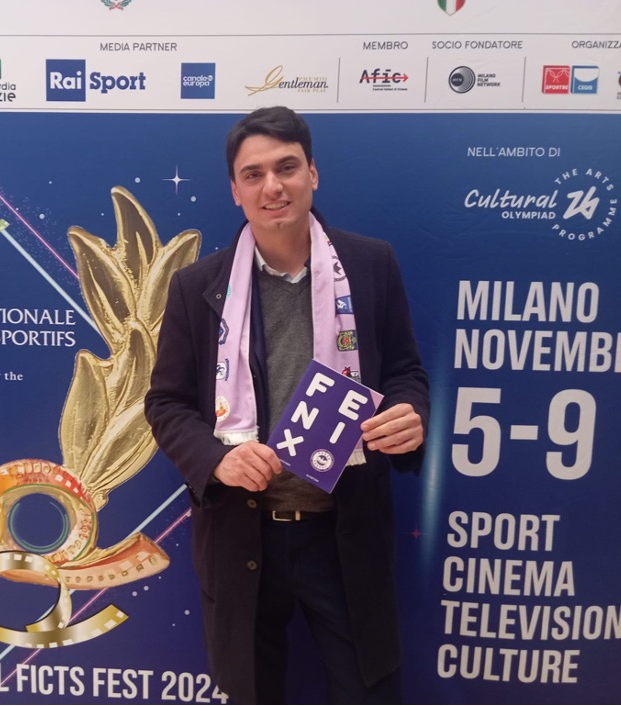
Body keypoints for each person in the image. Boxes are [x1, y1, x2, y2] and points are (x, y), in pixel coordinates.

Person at [144, 106, 429, 704]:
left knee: (370, 693)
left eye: (287, 167)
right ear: (235, 190)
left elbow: (405, 372)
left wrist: (410, 414)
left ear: (312, 174)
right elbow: (166, 402)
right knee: (252, 692)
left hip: (344, 532)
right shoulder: (198, 287)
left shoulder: (371, 266)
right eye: (253, 174)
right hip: (242, 536)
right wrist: (216, 460)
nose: (272, 186)